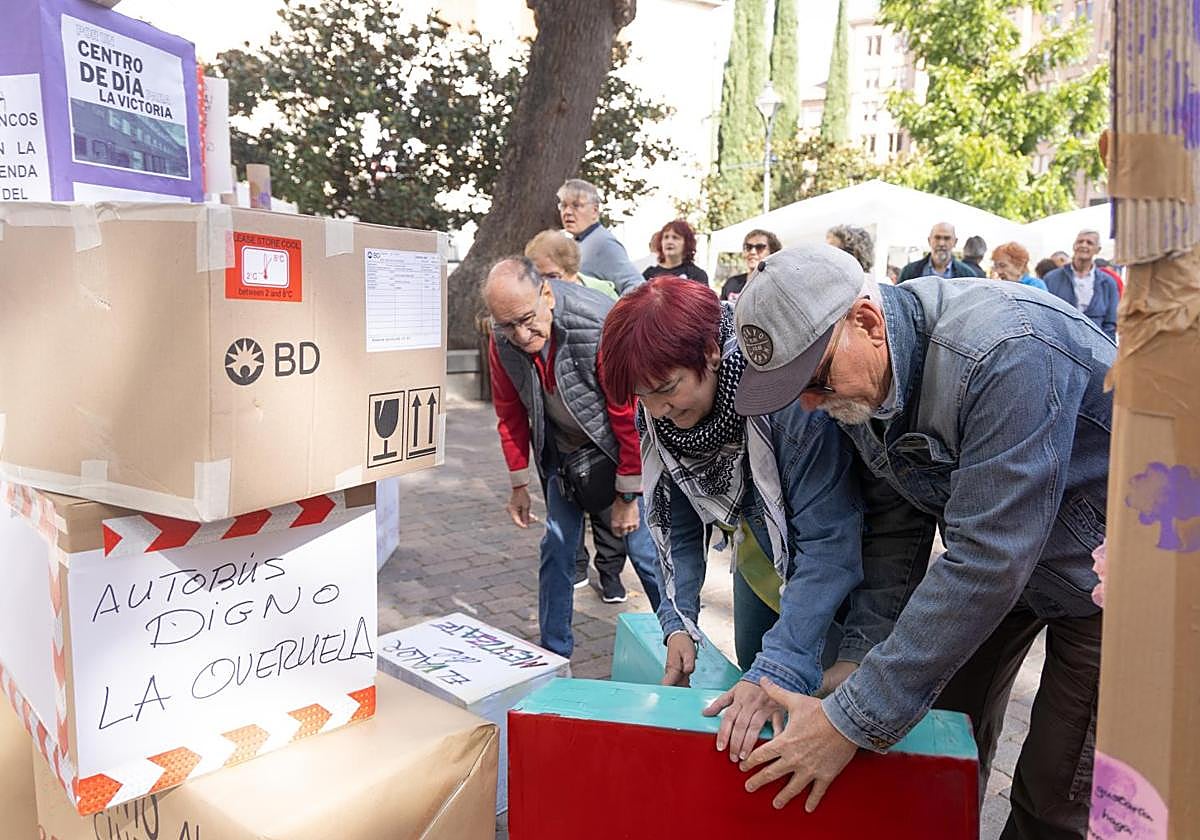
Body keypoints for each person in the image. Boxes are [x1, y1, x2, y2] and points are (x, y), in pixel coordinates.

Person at [731, 244, 1112, 839]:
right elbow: (894, 528)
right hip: (1012, 563)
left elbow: (988, 560)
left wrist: (848, 722)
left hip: (1110, 586)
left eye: (815, 380)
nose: (809, 404)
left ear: (867, 322)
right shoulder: (864, 387)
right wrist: (859, 660)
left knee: (1054, 792)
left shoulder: (1004, 352)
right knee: (942, 734)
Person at [600, 275, 934, 760]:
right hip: (759, 567)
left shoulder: (786, 403)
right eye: (642, 397)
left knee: (810, 699)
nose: (657, 410)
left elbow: (827, 545)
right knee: (753, 690)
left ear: (711, 353)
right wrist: (677, 621)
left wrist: (779, 666)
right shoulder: (657, 411)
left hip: (836, 578)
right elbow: (676, 521)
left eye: (667, 389)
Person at [484, 257, 661, 656]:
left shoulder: (597, 323)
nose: (520, 333)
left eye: (527, 319)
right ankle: (554, 654)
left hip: (618, 449)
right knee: (557, 548)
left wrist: (628, 496)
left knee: (644, 550)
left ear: (546, 293)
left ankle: (683, 643)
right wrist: (518, 484)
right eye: (507, 325)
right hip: (563, 457)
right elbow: (509, 410)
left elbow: (627, 413)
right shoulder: (503, 336)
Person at [524, 230, 627, 596]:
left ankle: (611, 574)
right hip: (563, 443)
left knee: (609, 513)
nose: (538, 284)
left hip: (602, 441)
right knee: (564, 520)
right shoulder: (528, 318)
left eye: (547, 276)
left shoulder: (597, 305)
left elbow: (621, 402)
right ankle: (578, 564)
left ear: (566, 273)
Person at [557, 179, 642, 295]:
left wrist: (612, 312)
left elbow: (636, 286)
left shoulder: (603, 243)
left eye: (576, 206)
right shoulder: (577, 242)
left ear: (595, 211)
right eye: (563, 205)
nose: (567, 212)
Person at [1043, 229, 1118, 340]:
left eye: (1089, 243)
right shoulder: (1052, 278)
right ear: (1074, 246)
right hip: (1061, 344)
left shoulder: (1108, 283)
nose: (1084, 245)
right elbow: (1044, 315)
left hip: (1097, 346)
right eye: (1080, 241)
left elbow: (1110, 323)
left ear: (1098, 250)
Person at [525, 230, 617, 300]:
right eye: (536, 277)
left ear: (572, 273)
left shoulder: (603, 294)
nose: (544, 285)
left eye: (552, 277)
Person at [898, 223, 980, 281]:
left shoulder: (968, 275)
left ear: (955, 242)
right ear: (929, 240)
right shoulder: (909, 272)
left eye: (947, 238)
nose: (941, 243)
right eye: (937, 237)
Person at [720, 229, 781, 303]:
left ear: (772, 252)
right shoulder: (732, 283)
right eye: (748, 247)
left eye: (760, 247)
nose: (752, 252)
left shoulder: (778, 286)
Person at [643, 219, 709, 284]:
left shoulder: (697, 276)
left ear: (687, 243)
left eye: (675, 237)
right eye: (666, 237)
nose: (669, 242)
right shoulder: (649, 274)